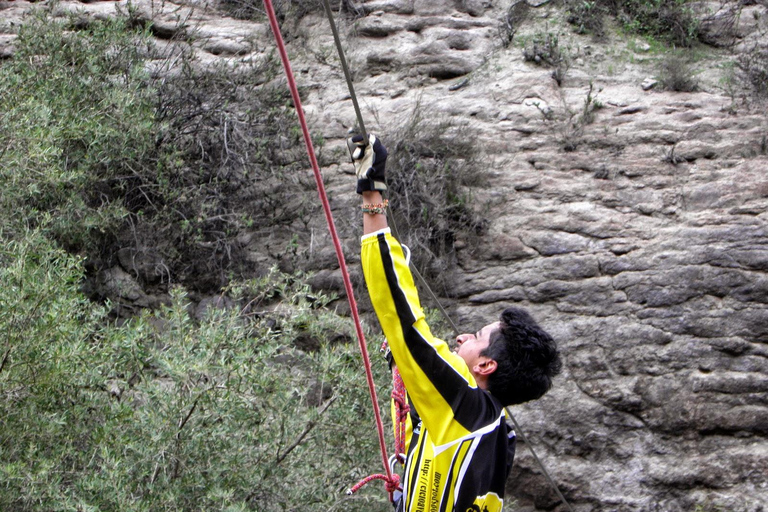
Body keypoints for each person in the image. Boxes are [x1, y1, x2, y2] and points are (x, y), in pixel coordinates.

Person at [351, 133, 563, 512]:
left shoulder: (464, 407)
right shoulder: (497, 435)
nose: (462, 336)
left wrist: (372, 195)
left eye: (477, 337)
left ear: (485, 365)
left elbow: (402, 318)